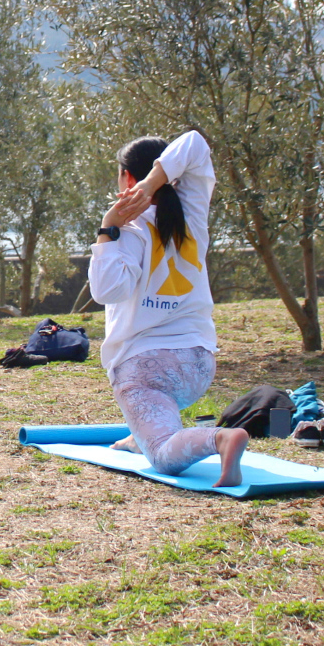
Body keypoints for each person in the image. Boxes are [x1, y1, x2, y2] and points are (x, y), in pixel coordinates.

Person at [89, 130, 248, 487]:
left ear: (128, 178)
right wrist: (154, 184)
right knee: (153, 418)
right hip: (199, 365)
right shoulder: (192, 212)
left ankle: (219, 439)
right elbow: (195, 141)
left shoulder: (128, 229)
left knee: (162, 454)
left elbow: (106, 291)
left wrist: (108, 228)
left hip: (147, 370)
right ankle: (139, 435)